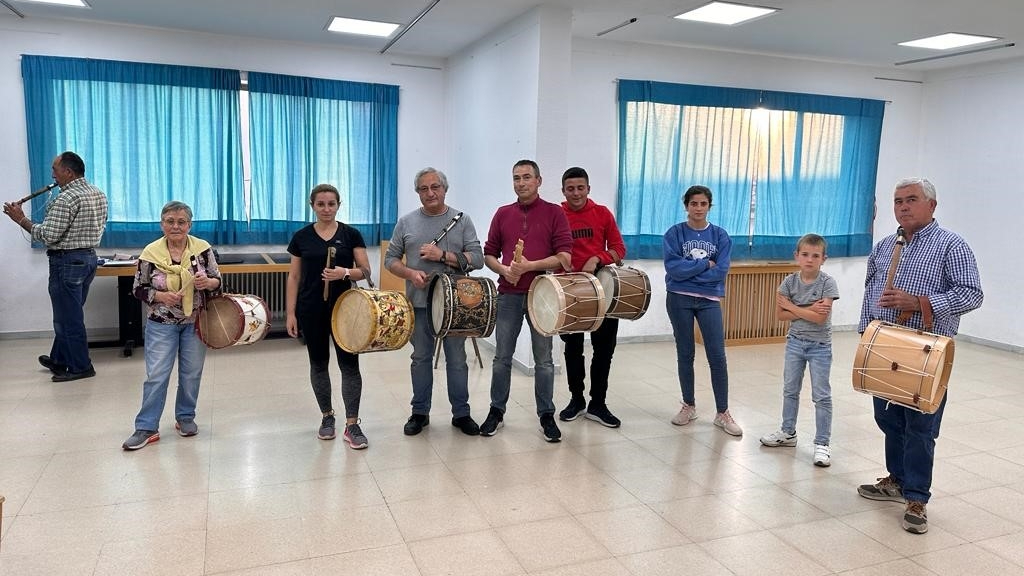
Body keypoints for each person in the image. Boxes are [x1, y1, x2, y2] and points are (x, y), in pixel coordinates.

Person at [856, 178, 982, 534]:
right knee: (888, 419)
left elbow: (972, 294)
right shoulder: (884, 246)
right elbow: (871, 292)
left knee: (920, 427)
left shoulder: (951, 246)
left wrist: (921, 303)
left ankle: (917, 497)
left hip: (926, 351)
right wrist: (866, 339)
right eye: (898, 201)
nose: (903, 207)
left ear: (932, 206)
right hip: (884, 346)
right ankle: (896, 479)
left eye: (911, 200)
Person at [386, 168, 484, 437]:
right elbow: (390, 259)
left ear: (445, 189)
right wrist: (410, 273)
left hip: (455, 306)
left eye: (435, 187)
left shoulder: (461, 221)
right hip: (419, 303)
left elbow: (477, 259)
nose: (430, 193)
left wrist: (443, 255)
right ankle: (419, 412)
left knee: (457, 360)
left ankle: (461, 413)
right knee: (420, 358)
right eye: (423, 189)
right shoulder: (406, 223)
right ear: (417, 192)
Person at [481, 159, 573, 442]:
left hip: (541, 295)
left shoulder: (555, 213)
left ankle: (546, 414)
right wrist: (504, 270)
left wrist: (530, 266)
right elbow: (489, 254)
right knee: (501, 358)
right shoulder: (502, 213)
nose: (521, 183)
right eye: (516, 178)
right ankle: (496, 411)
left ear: (539, 181)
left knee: (544, 360)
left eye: (526, 177)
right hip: (508, 295)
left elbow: (565, 258)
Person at [121, 201, 221, 450]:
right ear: (161, 223)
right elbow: (138, 289)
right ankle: (146, 427)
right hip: (161, 323)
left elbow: (218, 280)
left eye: (181, 222)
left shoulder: (202, 249)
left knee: (191, 373)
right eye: (170, 221)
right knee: (156, 376)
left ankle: (185, 417)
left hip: (196, 321)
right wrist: (161, 296)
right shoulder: (150, 253)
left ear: (189, 224)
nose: (175, 226)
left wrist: (206, 283)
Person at [3, 151, 108, 382]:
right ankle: (60, 359)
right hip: (88, 259)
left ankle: (81, 367)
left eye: (55, 169)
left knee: (67, 318)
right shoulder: (97, 193)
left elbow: (48, 236)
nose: (52, 174)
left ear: (68, 173)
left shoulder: (66, 198)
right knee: (69, 313)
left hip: (67, 262)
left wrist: (20, 219)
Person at [286, 183, 372, 449]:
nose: (326, 209)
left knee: (349, 365)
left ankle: (353, 423)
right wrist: (291, 313)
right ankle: (326, 417)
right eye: (320, 204)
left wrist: (344, 273)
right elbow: (294, 276)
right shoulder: (301, 237)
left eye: (331, 204)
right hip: (311, 309)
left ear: (338, 205)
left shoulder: (351, 234)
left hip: (345, 310)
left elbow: (366, 270)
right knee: (319, 363)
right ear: (312, 205)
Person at [663, 185, 742, 436]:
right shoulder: (674, 233)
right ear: (686, 205)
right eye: (694, 203)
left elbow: (721, 270)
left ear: (710, 206)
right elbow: (674, 268)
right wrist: (704, 265)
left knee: (717, 356)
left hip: (709, 300)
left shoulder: (720, 236)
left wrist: (693, 270)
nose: (698, 208)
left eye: (703, 204)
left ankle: (722, 412)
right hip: (679, 298)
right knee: (685, 353)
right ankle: (689, 405)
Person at [759, 234, 839, 466]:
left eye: (815, 256)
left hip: (820, 347)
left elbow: (819, 319)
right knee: (790, 389)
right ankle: (788, 432)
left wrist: (794, 306)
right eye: (805, 255)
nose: (809, 260)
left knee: (821, 395)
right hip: (795, 343)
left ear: (824, 259)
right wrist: (808, 309)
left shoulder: (827, 283)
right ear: (797, 256)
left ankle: (822, 443)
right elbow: (780, 315)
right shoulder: (788, 283)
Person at [557, 167, 627, 428]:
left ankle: (598, 403)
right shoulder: (557, 214)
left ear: (588, 188)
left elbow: (619, 248)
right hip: (569, 291)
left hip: (602, 290)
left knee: (604, 350)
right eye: (570, 188)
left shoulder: (602, 214)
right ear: (563, 190)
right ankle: (576, 400)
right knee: (572, 349)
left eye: (580, 187)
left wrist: (598, 258)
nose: (576, 192)